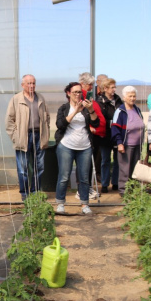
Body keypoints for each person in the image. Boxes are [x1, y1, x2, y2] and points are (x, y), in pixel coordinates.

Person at [54, 82, 100, 215]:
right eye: (75, 92)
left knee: (84, 177)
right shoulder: (64, 108)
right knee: (64, 176)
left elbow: (96, 123)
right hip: (66, 146)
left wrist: (91, 110)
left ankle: (85, 204)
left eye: (79, 92)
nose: (78, 94)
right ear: (68, 93)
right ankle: (60, 204)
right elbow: (60, 125)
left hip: (85, 147)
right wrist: (75, 111)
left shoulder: (86, 108)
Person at [6, 74, 50, 200]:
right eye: (29, 83)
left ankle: (35, 192)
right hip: (23, 136)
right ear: (23, 85)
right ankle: (25, 193)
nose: (32, 86)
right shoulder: (16, 99)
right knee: (23, 168)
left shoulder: (40, 98)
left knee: (39, 166)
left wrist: (45, 132)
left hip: (39, 135)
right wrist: (16, 136)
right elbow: (9, 120)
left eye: (33, 83)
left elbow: (46, 117)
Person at [110, 86, 145, 197]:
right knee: (125, 169)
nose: (132, 98)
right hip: (125, 145)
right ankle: (123, 191)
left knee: (135, 169)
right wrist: (119, 143)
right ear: (124, 97)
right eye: (130, 96)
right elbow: (115, 128)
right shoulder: (120, 111)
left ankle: (134, 190)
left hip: (138, 144)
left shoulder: (137, 109)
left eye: (134, 96)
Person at [79, 72, 106, 196]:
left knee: (92, 163)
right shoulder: (80, 97)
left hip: (96, 134)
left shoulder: (88, 96)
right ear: (82, 84)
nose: (91, 87)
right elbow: (81, 113)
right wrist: (90, 126)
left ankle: (88, 188)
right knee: (87, 164)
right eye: (89, 85)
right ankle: (83, 190)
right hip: (89, 134)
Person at [96, 77, 122, 193]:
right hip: (105, 135)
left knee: (117, 160)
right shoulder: (100, 101)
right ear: (105, 88)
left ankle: (115, 182)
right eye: (112, 87)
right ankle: (105, 183)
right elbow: (100, 117)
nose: (114, 90)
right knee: (105, 160)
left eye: (114, 87)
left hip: (117, 135)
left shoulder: (118, 100)